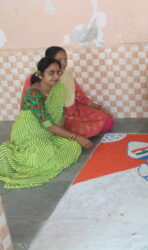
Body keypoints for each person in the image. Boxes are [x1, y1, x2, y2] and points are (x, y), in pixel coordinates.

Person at [0, 57, 92, 189]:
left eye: (58, 72)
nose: (55, 77)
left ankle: (49, 152)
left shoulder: (58, 88)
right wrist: (77, 137)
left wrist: (68, 136)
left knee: (73, 147)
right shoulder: (34, 93)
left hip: (47, 133)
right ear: (40, 74)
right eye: (51, 72)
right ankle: (15, 157)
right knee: (41, 159)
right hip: (28, 133)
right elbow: (48, 125)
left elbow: (59, 117)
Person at [21, 46, 114, 138]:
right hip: (51, 116)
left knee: (107, 120)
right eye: (60, 60)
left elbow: (80, 96)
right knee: (66, 132)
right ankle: (66, 134)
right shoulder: (35, 78)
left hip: (73, 109)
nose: (64, 63)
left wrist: (98, 107)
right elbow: (27, 103)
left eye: (65, 59)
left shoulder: (67, 76)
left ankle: (66, 134)